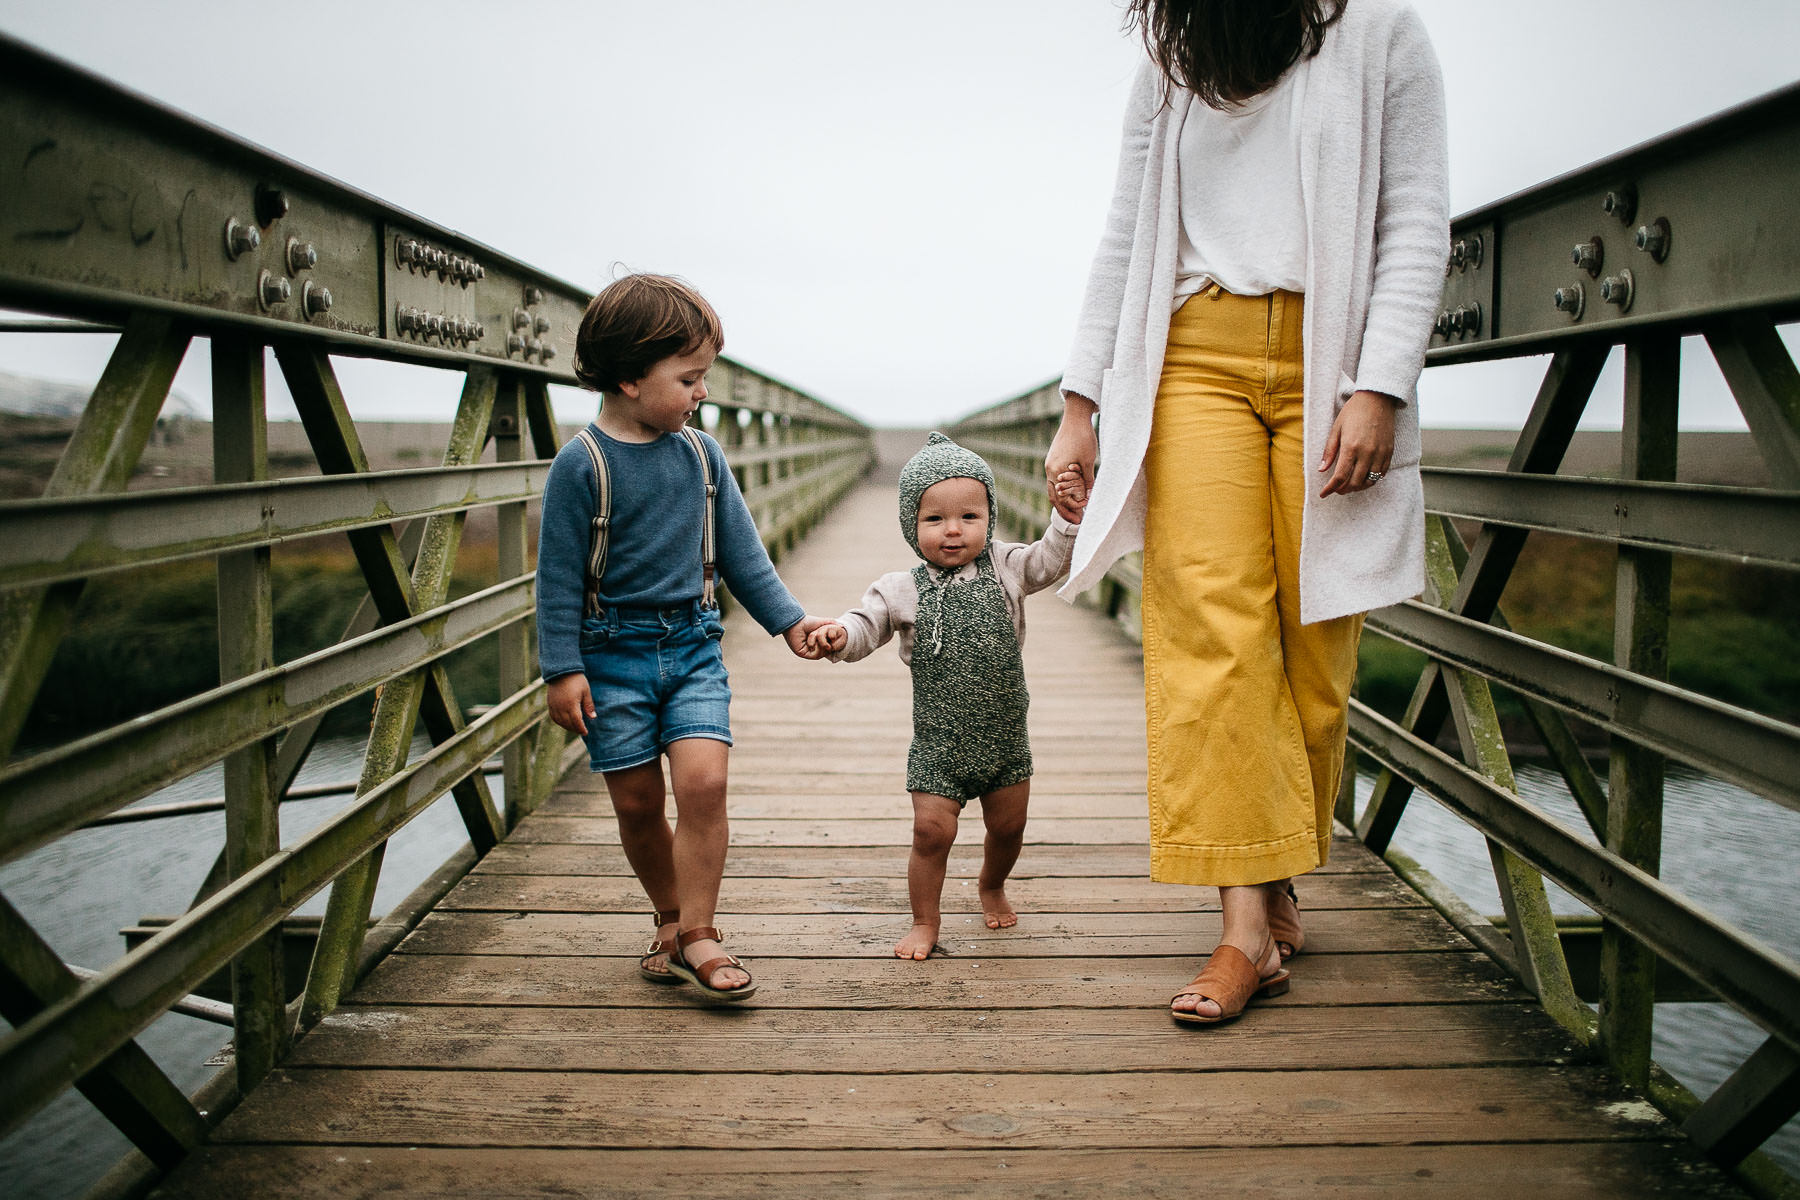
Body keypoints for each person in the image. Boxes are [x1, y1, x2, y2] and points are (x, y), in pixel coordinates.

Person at [1046, 0, 1448, 1024]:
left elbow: (1415, 218)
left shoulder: (1380, 33)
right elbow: (1123, 235)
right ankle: (1241, 930)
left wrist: (1382, 385)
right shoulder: (1176, 58)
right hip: (1192, 358)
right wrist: (1079, 405)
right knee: (1212, 629)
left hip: (1330, 361)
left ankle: (1274, 873)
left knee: (1314, 646)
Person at [537, 273, 834, 1004]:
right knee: (637, 803)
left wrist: (790, 622)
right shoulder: (583, 464)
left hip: (693, 644)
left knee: (704, 782)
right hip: (610, 654)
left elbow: (742, 553)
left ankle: (699, 932)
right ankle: (669, 921)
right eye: (689, 378)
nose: (701, 393)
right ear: (631, 377)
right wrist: (561, 669)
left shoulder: (702, 457)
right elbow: (556, 579)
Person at [807, 433, 1085, 959]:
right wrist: (841, 636)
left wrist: (1066, 518)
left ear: (990, 519)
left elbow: (1051, 559)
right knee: (930, 832)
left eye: (969, 517)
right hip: (939, 743)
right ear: (912, 527)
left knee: (1009, 827)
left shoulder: (1008, 566)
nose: (952, 530)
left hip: (1004, 739)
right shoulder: (900, 588)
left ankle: (991, 883)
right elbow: (867, 624)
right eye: (934, 520)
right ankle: (924, 920)